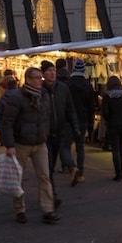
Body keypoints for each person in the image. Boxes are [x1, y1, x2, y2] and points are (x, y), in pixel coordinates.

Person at [0, 66, 60, 224]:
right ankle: (19, 209)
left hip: (40, 142)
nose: (39, 81)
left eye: (40, 78)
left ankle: (48, 209)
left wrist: (46, 133)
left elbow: (47, 117)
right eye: (36, 78)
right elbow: (7, 123)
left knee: (45, 176)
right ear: (27, 79)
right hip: (21, 143)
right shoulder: (17, 97)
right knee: (18, 177)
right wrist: (9, 145)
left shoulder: (44, 96)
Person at [41, 60, 80, 192]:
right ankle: (52, 195)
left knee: (63, 149)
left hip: (62, 129)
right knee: (49, 165)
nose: (52, 73)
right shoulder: (39, 90)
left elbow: (70, 109)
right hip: (45, 133)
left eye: (54, 70)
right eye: (49, 71)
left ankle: (71, 168)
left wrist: (75, 127)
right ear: (43, 74)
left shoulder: (63, 88)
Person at [101, 75, 122, 181]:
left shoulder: (107, 96)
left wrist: (108, 119)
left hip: (113, 124)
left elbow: (105, 112)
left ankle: (118, 173)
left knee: (115, 149)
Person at [67, 59, 96, 184]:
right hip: (83, 119)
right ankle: (81, 172)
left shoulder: (68, 84)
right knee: (80, 146)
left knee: (66, 146)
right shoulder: (87, 85)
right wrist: (91, 123)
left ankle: (71, 167)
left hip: (69, 120)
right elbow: (91, 106)